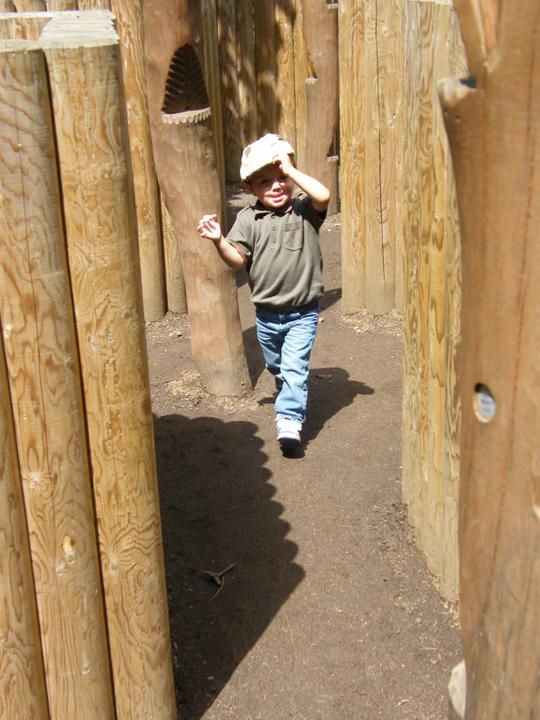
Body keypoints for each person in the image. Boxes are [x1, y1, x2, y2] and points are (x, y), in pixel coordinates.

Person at [197, 133, 330, 448]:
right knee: (279, 368)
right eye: (265, 181)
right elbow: (236, 260)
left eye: (282, 177)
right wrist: (219, 241)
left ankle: (289, 421)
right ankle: (289, 391)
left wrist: (291, 170)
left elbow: (323, 195)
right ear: (250, 188)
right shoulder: (247, 219)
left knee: (294, 368)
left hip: (302, 313)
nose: (276, 186)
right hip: (267, 316)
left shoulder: (304, 210)